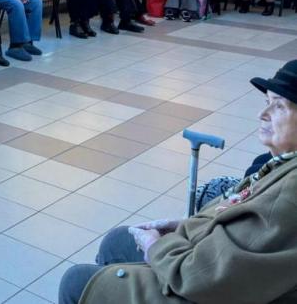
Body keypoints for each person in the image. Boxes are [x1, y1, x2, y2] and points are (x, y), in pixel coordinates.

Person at [58, 59, 297, 304]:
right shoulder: (277, 164)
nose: (262, 114)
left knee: (77, 282)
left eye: (279, 106)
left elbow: (200, 278)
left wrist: (155, 247)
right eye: (267, 102)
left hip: (203, 288)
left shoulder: (288, 193)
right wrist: (186, 226)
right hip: (210, 265)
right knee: (118, 240)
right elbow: (240, 222)